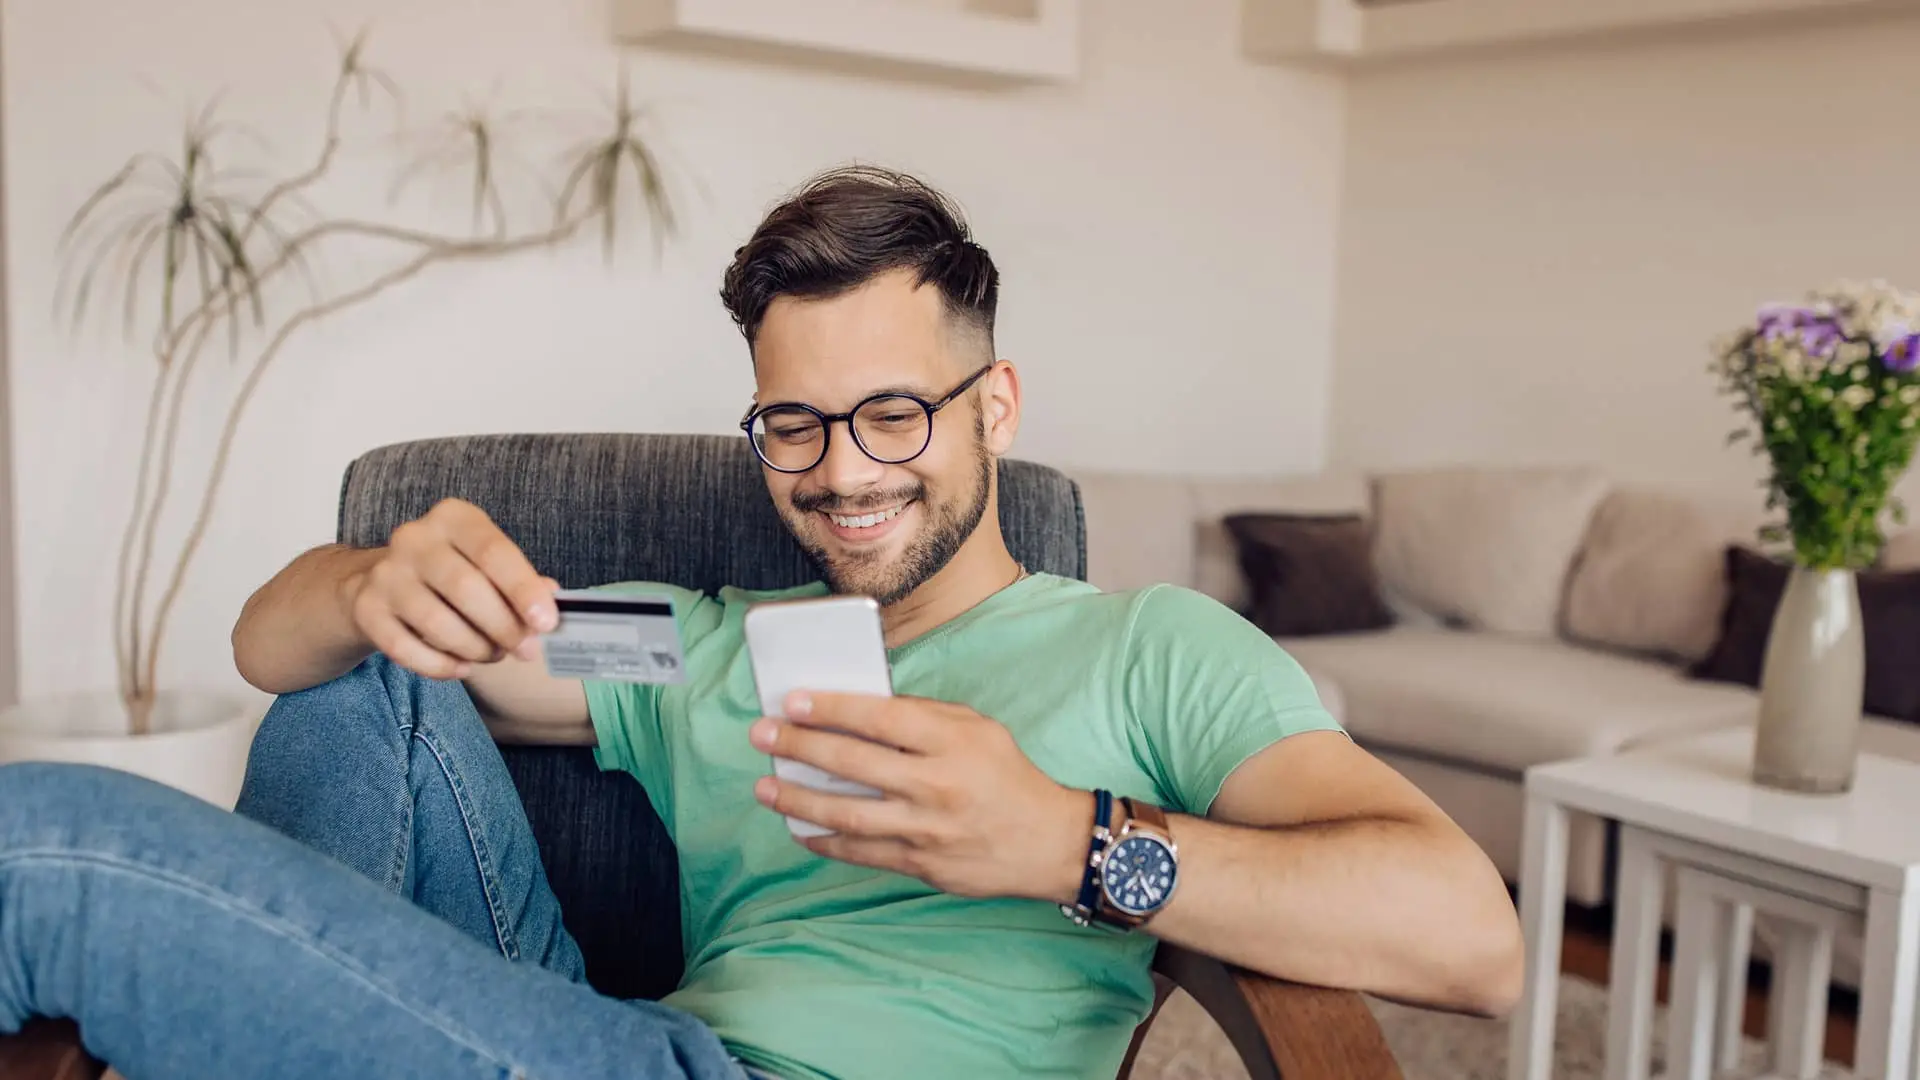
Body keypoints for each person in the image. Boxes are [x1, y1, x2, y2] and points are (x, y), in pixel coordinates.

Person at [0, 165, 1522, 1080]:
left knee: (45, 856)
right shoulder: (692, 646)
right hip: (621, 1048)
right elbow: (275, 654)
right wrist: (369, 580)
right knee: (359, 685)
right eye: (794, 425)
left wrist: (1064, 841)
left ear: (993, 404)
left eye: (890, 413)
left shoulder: (1152, 651)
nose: (843, 472)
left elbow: (1472, 940)